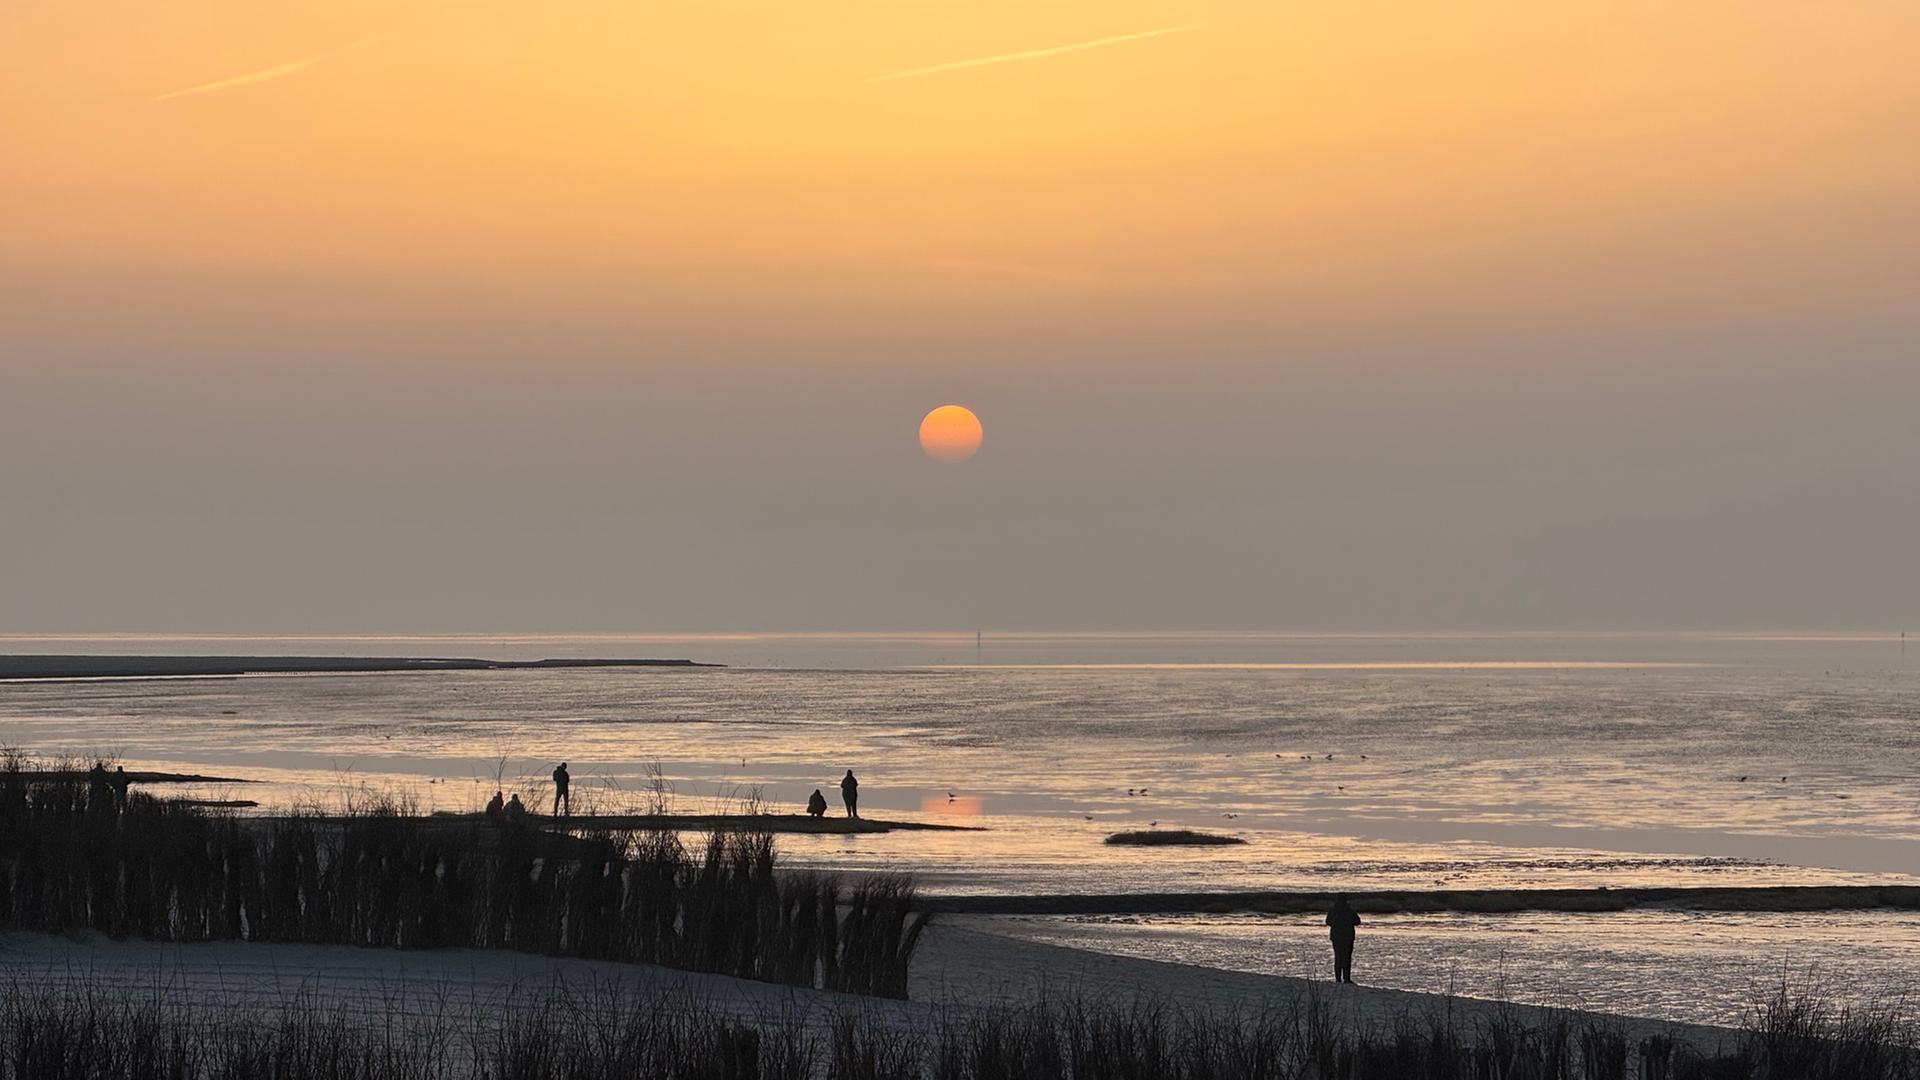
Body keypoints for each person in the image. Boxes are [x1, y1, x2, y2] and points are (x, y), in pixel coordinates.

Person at [1326, 895, 1362, 984]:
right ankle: (1346, 979)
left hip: (1336, 937)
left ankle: (1338, 979)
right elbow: (1357, 921)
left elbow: (1328, 922)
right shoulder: (1349, 910)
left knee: (1338, 957)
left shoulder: (1333, 910)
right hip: (1347, 937)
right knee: (1346, 958)